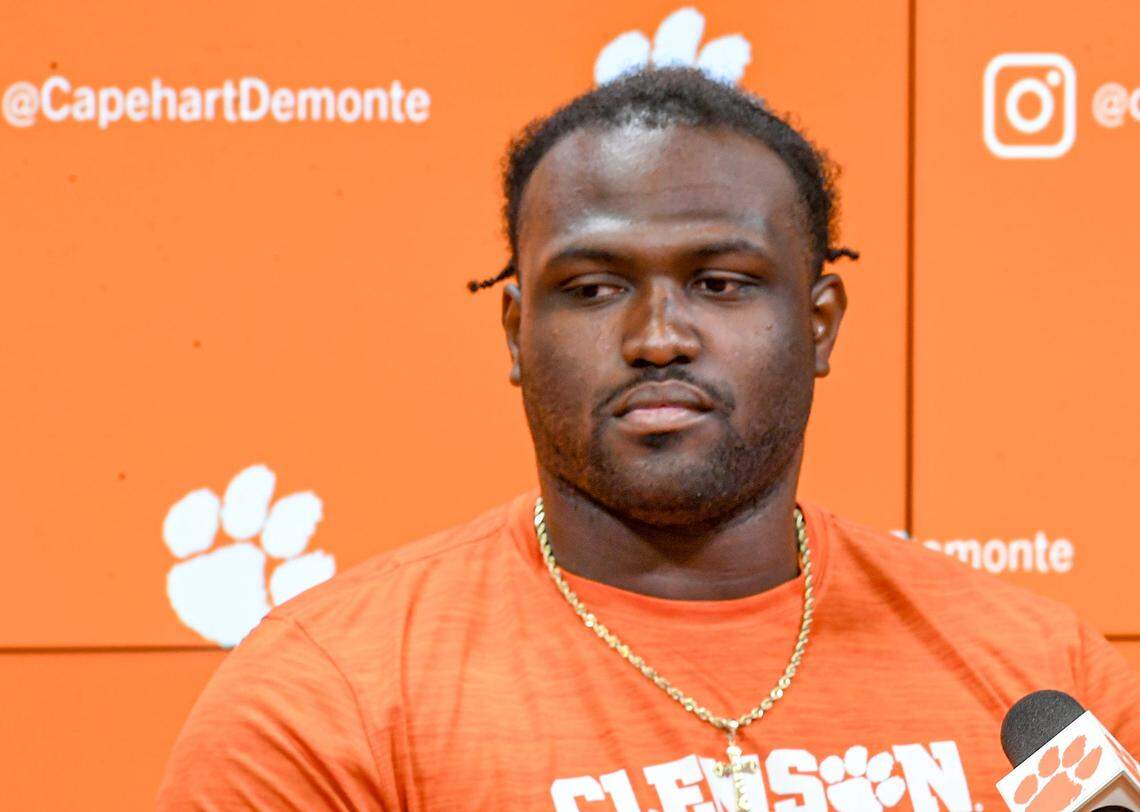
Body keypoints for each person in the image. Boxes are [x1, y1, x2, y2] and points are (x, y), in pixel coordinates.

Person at [157, 68, 1140, 812]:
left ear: (822, 320)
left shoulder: (1039, 675)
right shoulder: (326, 698)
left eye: (722, 282)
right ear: (514, 331)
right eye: (593, 288)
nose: (658, 336)